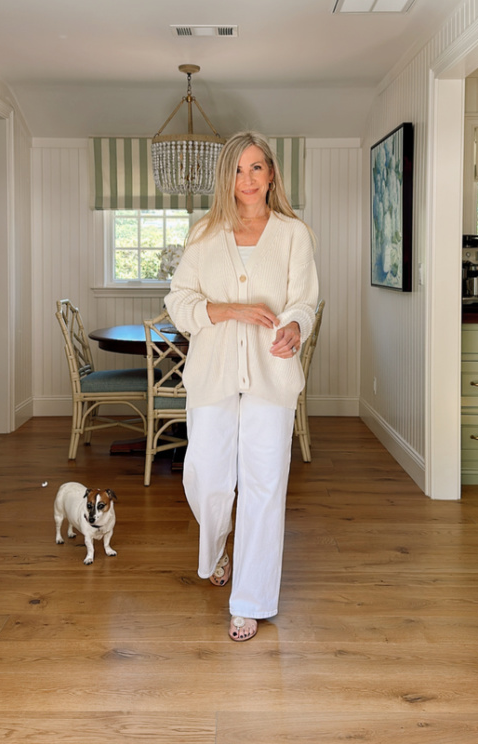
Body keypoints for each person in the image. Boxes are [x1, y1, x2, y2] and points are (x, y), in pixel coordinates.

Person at [164, 131, 318, 642]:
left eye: (256, 168)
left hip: (272, 378)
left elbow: (304, 301)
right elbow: (179, 302)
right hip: (212, 375)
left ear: (272, 173)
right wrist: (228, 309)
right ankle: (220, 543)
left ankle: (249, 598)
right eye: (237, 169)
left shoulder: (294, 233)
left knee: (264, 486)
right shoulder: (204, 233)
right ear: (224, 177)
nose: (247, 179)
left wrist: (295, 325)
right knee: (206, 479)